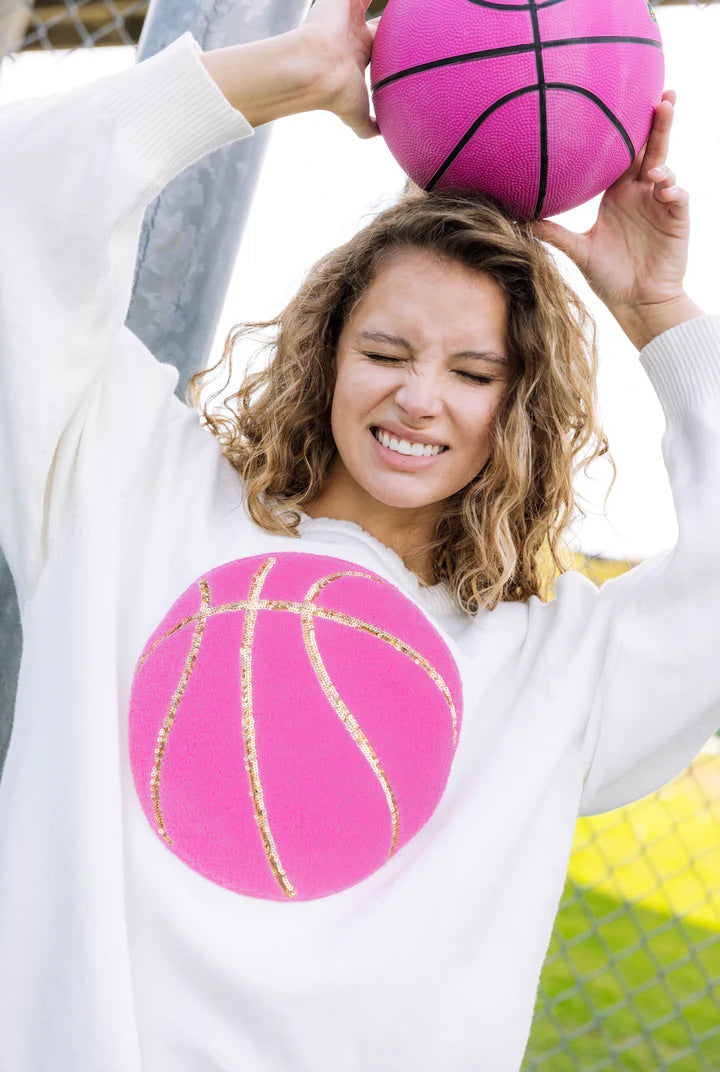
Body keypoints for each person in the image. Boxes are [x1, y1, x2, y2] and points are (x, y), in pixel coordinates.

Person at [0, 1, 717, 1069]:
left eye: (474, 373)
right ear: (326, 351)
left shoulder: (555, 669)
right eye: (386, 349)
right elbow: (25, 199)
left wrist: (655, 306)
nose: (421, 398)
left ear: (518, 405)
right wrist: (293, 71)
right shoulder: (125, 486)